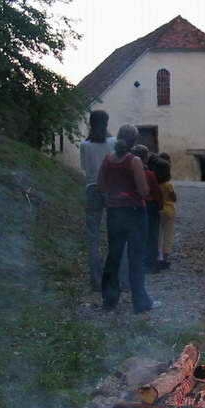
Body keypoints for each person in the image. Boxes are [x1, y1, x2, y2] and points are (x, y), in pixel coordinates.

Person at [97, 125, 153, 313]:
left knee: (114, 255)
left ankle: (109, 300)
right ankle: (140, 301)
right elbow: (143, 190)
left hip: (114, 212)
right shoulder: (134, 161)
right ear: (134, 141)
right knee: (136, 257)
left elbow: (100, 185)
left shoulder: (108, 159)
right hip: (135, 212)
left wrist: (114, 195)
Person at [79, 110, 116, 291]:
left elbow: (84, 167)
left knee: (93, 236)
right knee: (114, 234)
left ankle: (96, 280)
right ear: (106, 122)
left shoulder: (84, 145)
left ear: (90, 123)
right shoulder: (113, 142)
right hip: (111, 188)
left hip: (92, 188)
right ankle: (114, 277)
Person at [131, 145, 164, 274]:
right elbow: (156, 192)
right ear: (145, 158)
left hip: (134, 206)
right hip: (150, 206)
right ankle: (150, 263)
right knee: (152, 235)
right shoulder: (149, 174)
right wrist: (160, 205)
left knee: (138, 235)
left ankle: (138, 263)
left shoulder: (129, 172)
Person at [157, 152, 176, 270]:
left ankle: (158, 257)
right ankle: (165, 257)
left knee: (158, 234)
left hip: (158, 210)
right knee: (168, 234)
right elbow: (174, 198)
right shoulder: (168, 185)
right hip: (169, 211)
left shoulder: (155, 183)